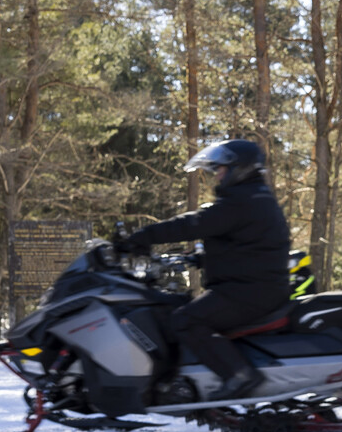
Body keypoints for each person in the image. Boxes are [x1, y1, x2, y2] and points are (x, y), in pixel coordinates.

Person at [117, 139, 289, 400]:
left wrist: (141, 237)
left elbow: (193, 224)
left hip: (248, 293)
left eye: (222, 169)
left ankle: (239, 375)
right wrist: (202, 258)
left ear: (239, 169)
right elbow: (248, 247)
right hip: (255, 288)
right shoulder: (255, 198)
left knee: (185, 320)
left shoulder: (241, 201)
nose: (218, 176)